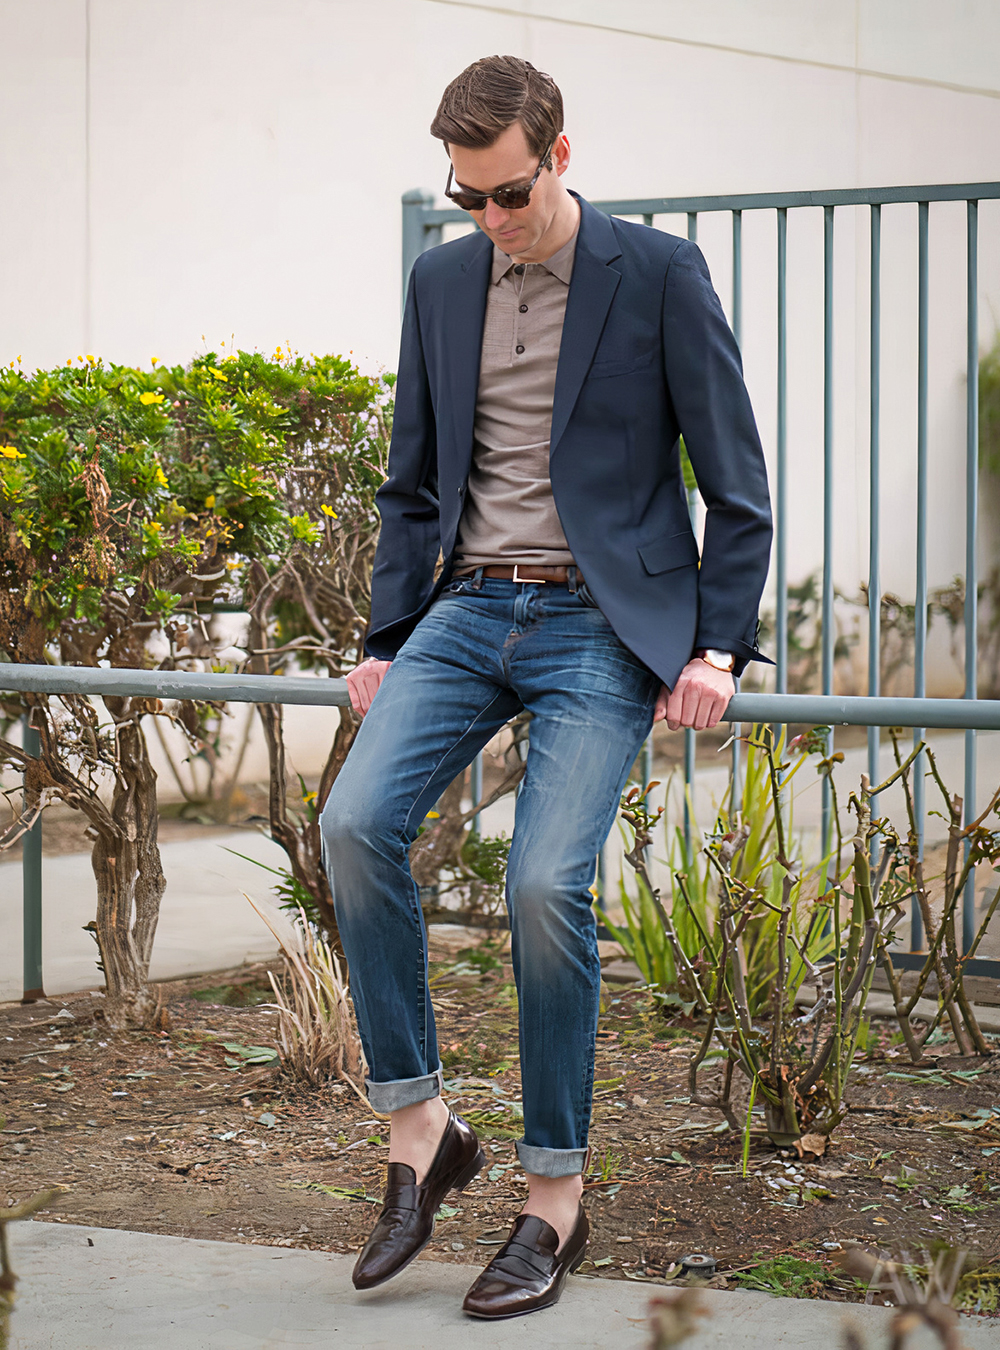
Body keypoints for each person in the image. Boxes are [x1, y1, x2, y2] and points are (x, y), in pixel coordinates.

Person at [320, 54, 772, 1320]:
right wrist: (385, 633)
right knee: (353, 827)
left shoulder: (659, 274)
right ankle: (421, 1131)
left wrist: (716, 648)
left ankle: (552, 1203)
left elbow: (736, 481)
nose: (489, 219)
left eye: (507, 193)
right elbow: (414, 481)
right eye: (466, 196)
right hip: (466, 609)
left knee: (540, 883)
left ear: (560, 155)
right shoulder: (441, 277)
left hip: (598, 623)